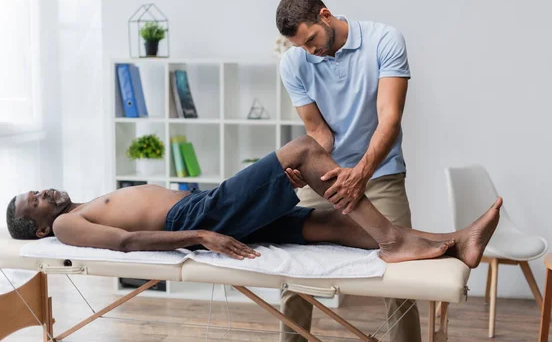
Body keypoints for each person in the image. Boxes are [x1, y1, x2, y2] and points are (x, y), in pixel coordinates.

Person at [6, 135, 501, 272]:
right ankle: (393, 242)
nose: (45, 192)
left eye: (38, 188)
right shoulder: (70, 227)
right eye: (36, 202)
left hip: (206, 209)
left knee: (330, 222)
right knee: (305, 150)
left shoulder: (78, 203)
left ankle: (455, 243)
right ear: (41, 231)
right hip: (197, 218)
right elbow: (128, 241)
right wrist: (201, 235)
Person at [276, 0, 422, 341]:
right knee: (295, 272)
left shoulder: (384, 39)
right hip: (325, 176)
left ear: (325, 15)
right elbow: (318, 131)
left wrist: (360, 174)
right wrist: (304, 167)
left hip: (381, 173)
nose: (310, 51)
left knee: (401, 272)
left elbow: (389, 118)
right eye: (301, 46)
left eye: (311, 39)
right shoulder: (294, 63)